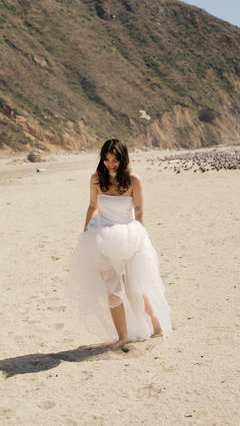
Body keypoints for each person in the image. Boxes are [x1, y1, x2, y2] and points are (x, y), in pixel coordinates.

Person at [65, 139, 172, 349]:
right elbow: (92, 205)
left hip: (128, 236)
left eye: (115, 160)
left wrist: (139, 238)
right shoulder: (96, 179)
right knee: (112, 290)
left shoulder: (134, 180)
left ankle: (155, 320)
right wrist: (86, 229)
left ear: (123, 159)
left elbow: (139, 213)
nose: (110, 164)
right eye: (106, 159)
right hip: (102, 237)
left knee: (136, 285)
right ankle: (122, 337)